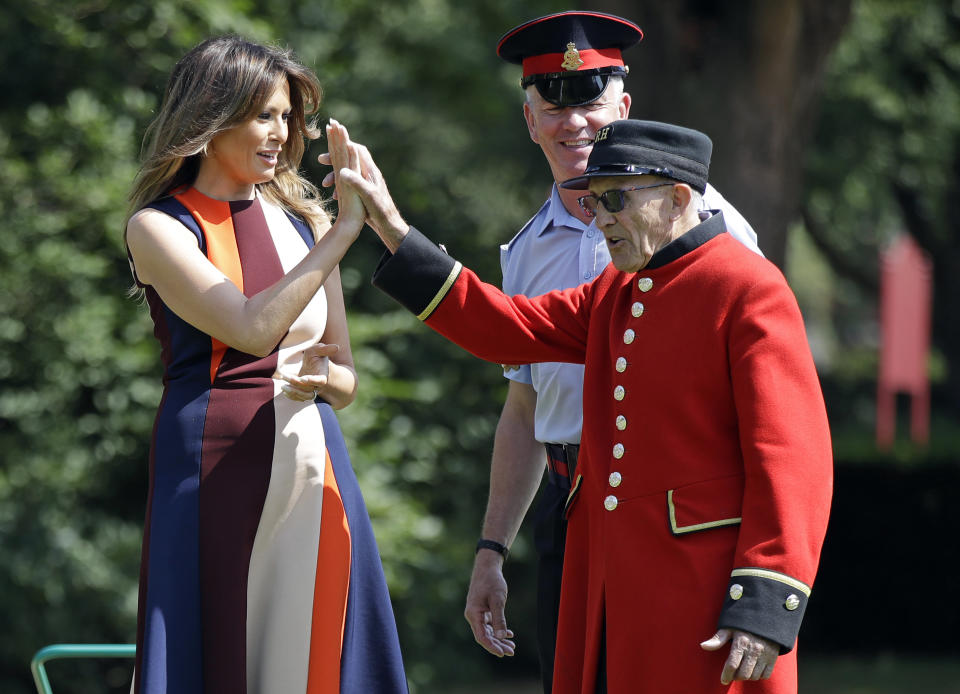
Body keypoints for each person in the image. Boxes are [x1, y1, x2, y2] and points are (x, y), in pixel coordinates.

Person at [334, 118, 832, 693]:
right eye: (593, 203)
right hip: (610, 586)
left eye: (616, 198)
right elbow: (505, 327)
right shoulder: (615, 290)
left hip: (704, 593)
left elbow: (793, 461)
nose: (600, 219)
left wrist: (766, 599)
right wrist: (392, 228)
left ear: (677, 198)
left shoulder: (747, 286)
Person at [463, 12, 763, 693]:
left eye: (591, 103)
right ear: (529, 119)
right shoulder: (525, 250)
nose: (575, 126)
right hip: (570, 506)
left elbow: (765, 407)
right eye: (554, 105)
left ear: (623, 107)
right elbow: (526, 408)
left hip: (674, 512)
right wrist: (490, 550)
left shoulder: (706, 221)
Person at [124, 36, 407, 694]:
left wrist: (321, 381)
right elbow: (251, 329)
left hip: (313, 463)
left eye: (287, 117)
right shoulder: (159, 227)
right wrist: (345, 232)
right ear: (211, 117)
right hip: (211, 467)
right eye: (263, 116)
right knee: (217, 652)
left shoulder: (303, 223)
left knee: (316, 656)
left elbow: (346, 379)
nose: (281, 133)